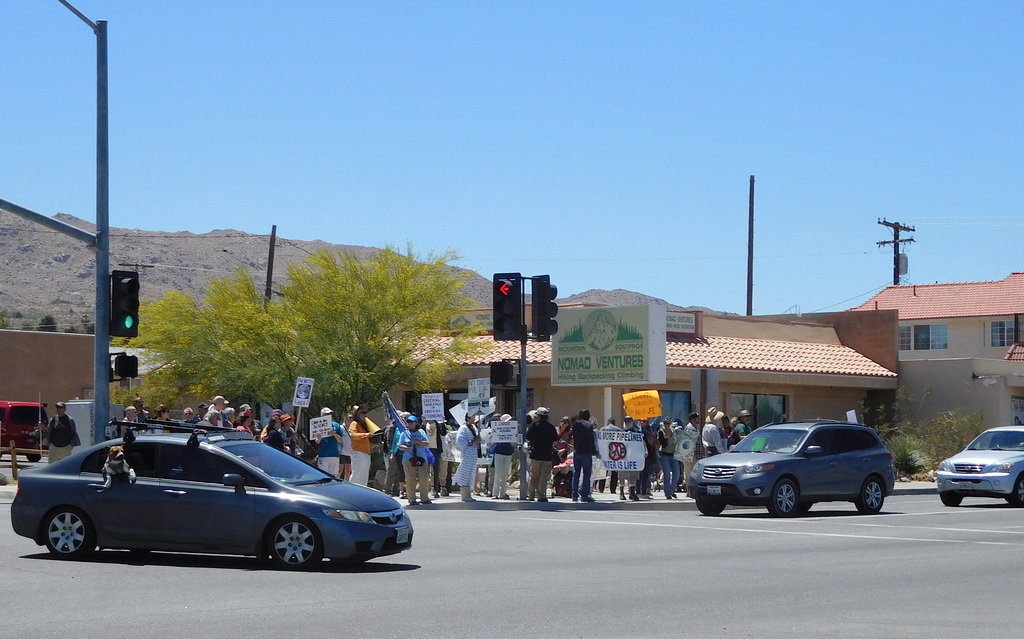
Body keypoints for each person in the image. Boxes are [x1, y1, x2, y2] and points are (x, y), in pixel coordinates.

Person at [525, 407, 558, 502]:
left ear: (538, 416)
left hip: (535, 454)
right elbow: (555, 441)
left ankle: (531, 495)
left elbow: (527, 438)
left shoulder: (533, 426)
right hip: (547, 455)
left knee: (534, 475)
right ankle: (541, 495)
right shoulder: (551, 427)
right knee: (544, 476)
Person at [398, 415, 432, 505]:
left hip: (421, 458)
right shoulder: (404, 433)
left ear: (416, 423)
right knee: (410, 479)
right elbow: (400, 445)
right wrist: (409, 448)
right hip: (408, 458)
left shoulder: (421, 432)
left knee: (424, 478)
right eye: (408, 422)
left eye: (412, 422)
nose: (410, 424)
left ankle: (424, 498)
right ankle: (412, 499)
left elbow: (427, 443)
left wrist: (418, 442)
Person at [570, 409, 600, 502]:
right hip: (586, 453)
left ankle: (574, 495)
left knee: (576, 474)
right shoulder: (589, 426)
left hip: (577, 452)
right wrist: (595, 452)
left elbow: (573, 437)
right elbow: (590, 441)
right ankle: (584, 495)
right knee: (586, 474)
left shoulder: (575, 425)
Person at [348, 405, 380, 486]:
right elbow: (353, 434)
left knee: (364, 475)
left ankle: (362, 492)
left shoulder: (364, 425)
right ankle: (351, 491)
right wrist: (365, 434)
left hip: (366, 452)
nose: (364, 414)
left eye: (365, 413)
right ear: (356, 414)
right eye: (362, 413)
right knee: (357, 473)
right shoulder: (354, 423)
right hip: (358, 451)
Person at [453, 415, 482, 502]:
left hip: (473, 454)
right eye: (473, 417)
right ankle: (464, 495)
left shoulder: (473, 427)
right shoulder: (463, 428)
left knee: (471, 473)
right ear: (468, 418)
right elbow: (460, 441)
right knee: (464, 473)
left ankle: (469, 494)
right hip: (467, 454)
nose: (474, 419)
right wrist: (473, 441)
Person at [315, 407, 346, 477]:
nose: (329, 415)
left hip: (335, 455)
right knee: (323, 476)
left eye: (330, 414)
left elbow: (341, 440)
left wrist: (335, 434)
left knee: (333, 476)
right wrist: (319, 438)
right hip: (323, 455)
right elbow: (317, 441)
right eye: (327, 414)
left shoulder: (336, 425)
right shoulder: (318, 425)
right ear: (322, 415)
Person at [490, 414, 515, 500]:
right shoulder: (498, 428)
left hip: (508, 452)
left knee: (505, 474)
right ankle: (495, 493)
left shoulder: (512, 429)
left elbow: (513, 442)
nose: (509, 422)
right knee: (498, 473)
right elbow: (492, 439)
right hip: (499, 452)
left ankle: (503, 493)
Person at [676, 412, 701, 490]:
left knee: (690, 473)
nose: (698, 419)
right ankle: (689, 490)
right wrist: (693, 454)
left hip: (691, 455)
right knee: (690, 473)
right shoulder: (691, 428)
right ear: (693, 419)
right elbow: (689, 442)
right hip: (691, 455)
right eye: (697, 418)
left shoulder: (693, 427)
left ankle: (689, 490)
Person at [620, 416, 642, 500]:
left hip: (633, 456)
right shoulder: (620, 432)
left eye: (629, 421)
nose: (627, 422)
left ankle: (632, 492)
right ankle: (621, 492)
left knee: (633, 475)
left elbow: (641, 442)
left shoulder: (636, 432)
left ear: (632, 422)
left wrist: (645, 451)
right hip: (623, 456)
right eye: (626, 421)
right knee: (622, 474)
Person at [426, 419, 449, 497]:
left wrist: (442, 423)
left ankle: (436, 490)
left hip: (436, 450)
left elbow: (443, 433)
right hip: (427, 450)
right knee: (426, 471)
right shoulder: (424, 425)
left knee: (436, 471)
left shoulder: (438, 425)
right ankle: (426, 490)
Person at [658, 418, 679, 499]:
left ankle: (672, 489)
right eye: (665, 423)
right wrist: (666, 437)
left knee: (676, 472)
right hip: (664, 454)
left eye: (668, 423)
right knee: (667, 473)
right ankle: (667, 492)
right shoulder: (661, 432)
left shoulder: (674, 431)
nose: (667, 425)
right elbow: (663, 444)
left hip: (674, 454)